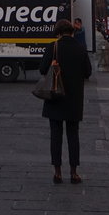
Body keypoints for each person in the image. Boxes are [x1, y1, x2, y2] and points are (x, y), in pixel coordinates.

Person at [39, 18, 92, 185]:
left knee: (55, 136)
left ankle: (57, 172)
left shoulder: (53, 47)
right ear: (72, 31)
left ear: (59, 33)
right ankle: (74, 173)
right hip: (74, 99)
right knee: (73, 135)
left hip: (55, 97)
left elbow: (42, 69)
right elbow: (88, 72)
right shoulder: (80, 48)